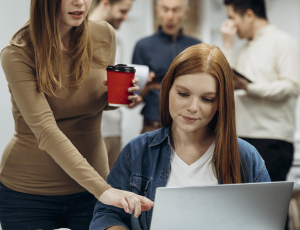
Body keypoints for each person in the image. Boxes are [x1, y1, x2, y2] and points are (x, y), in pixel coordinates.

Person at [0, 0, 153, 229]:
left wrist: (115, 98)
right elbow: (46, 130)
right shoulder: (18, 52)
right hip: (27, 194)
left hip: (92, 188)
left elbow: (95, 104)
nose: (80, 1)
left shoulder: (104, 35)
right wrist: (103, 189)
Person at [89, 43, 271, 230]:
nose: (193, 107)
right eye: (183, 94)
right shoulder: (137, 151)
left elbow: (267, 219)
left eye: (207, 99)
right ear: (167, 89)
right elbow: (107, 215)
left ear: (221, 103)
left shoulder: (245, 157)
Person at [220, 0, 300, 230]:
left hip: (272, 138)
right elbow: (224, 80)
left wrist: (250, 88)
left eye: (232, 17)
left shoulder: (283, 41)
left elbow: (291, 86)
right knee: (242, 210)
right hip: (241, 137)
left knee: (269, 212)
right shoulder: (243, 48)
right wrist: (226, 45)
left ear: (249, 15)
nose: (229, 24)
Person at [132, 0, 201, 134]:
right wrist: (143, 88)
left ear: (186, 12)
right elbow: (135, 97)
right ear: (157, 10)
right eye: (165, 9)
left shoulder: (198, 47)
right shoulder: (143, 46)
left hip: (191, 128)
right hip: (153, 126)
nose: (170, 16)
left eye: (176, 10)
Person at [89, 0, 139, 170]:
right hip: (91, 131)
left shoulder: (118, 41)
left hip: (113, 129)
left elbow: (115, 94)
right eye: (123, 11)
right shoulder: (79, 37)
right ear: (106, 3)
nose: (126, 17)